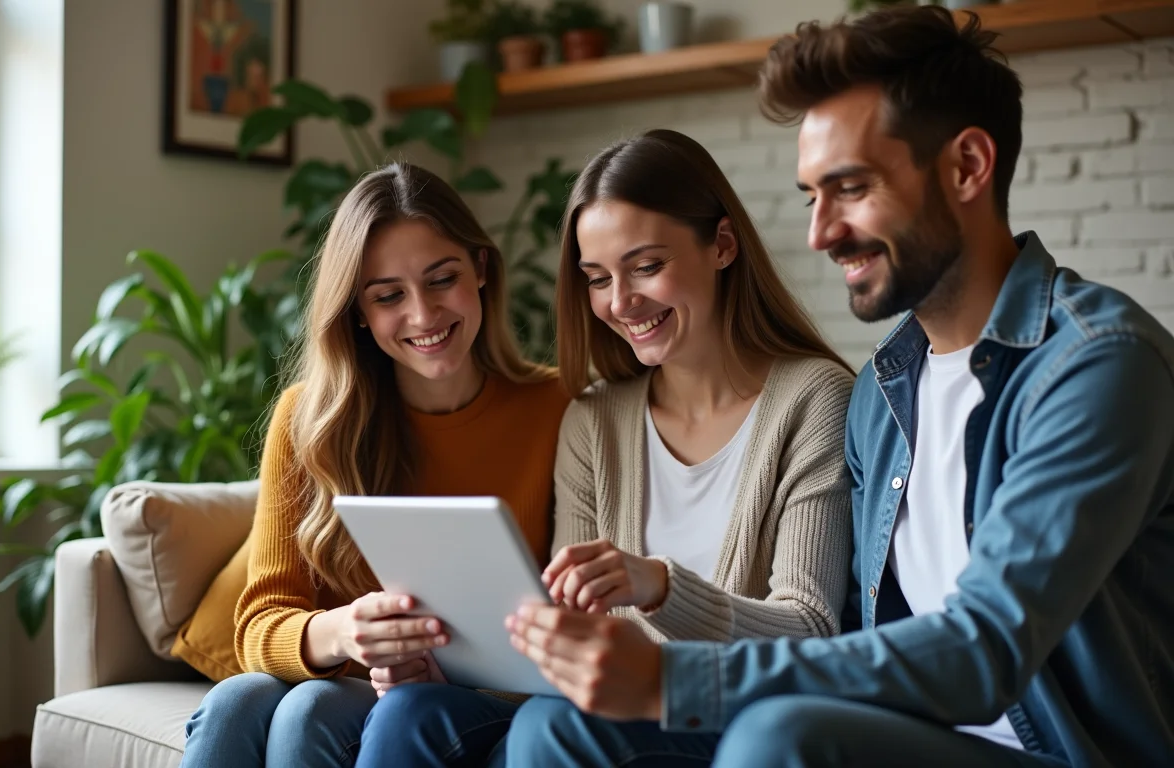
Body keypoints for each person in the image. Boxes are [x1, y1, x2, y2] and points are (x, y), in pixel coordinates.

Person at [502, 6, 1174, 767]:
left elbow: (983, 649)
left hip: (1064, 753)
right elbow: (853, 635)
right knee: (559, 727)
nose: (820, 233)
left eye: (850, 188)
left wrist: (675, 676)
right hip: (911, 737)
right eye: (811, 197)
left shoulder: (1096, 367)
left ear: (966, 167)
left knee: (778, 737)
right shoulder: (887, 390)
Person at [359, 128, 856, 766]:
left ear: (722, 245)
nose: (621, 303)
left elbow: (812, 629)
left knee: (552, 727)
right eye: (597, 279)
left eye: (646, 267)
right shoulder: (594, 420)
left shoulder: (813, 399)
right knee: (411, 712)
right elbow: (568, 635)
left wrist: (659, 586)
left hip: (725, 713)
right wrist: (451, 671)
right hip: (587, 708)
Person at [178, 163, 570, 768]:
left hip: (477, 702)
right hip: (353, 682)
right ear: (358, 310)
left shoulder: (560, 407)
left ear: (482, 270)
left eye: (442, 279)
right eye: (388, 296)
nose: (423, 315)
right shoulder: (309, 418)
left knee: (308, 712)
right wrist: (345, 632)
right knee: (237, 700)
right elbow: (258, 625)